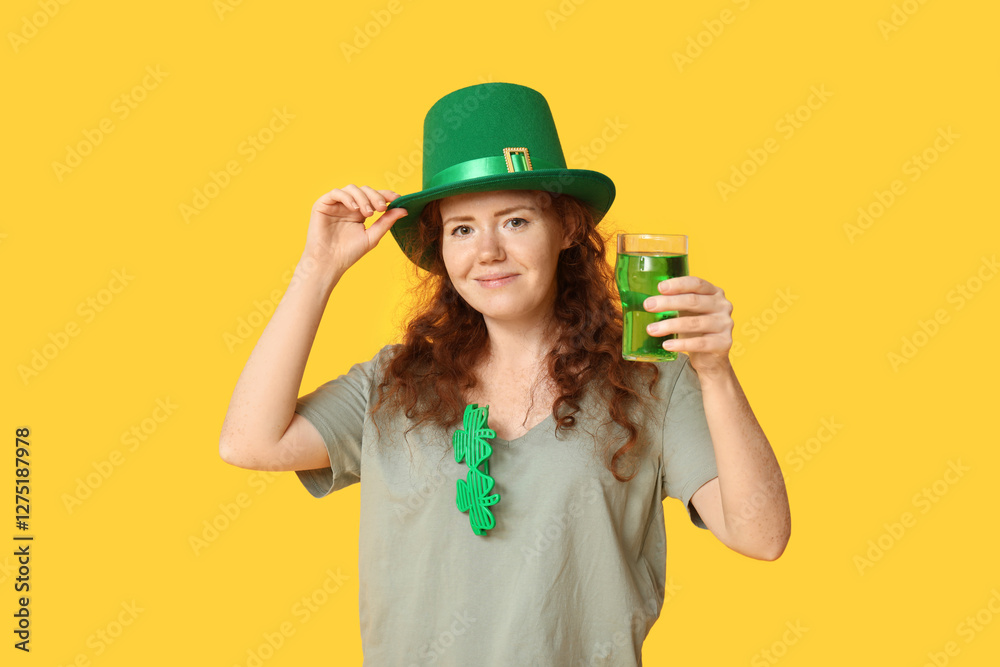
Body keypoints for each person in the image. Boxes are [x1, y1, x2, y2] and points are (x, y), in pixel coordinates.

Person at [219, 82, 790, 666]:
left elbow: (761, 536)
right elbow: (248, 441)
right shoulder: (391, 383)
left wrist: (716, 373)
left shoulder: (648, 384)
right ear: (442, 248)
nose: (487, 251)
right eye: (462, 229)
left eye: (515, 221)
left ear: (567, 230)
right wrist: (317, 269)